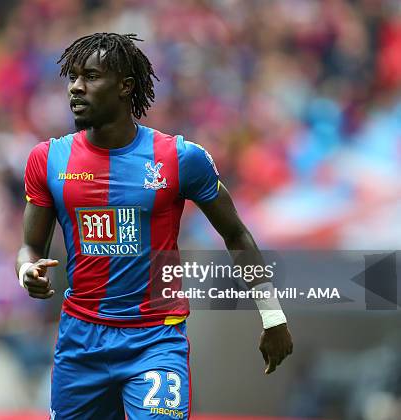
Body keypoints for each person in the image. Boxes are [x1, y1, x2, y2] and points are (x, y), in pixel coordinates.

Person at [16, 33, 293, 419]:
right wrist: (26, 271)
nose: (76, 88)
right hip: (80, 343)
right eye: (73, 77)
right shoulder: (47, 160)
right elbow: (30, 248)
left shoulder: (180, 159)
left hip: (155, 339)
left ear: (125, 87)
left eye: (91, 77)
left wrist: (272, 313)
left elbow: (236, 234)